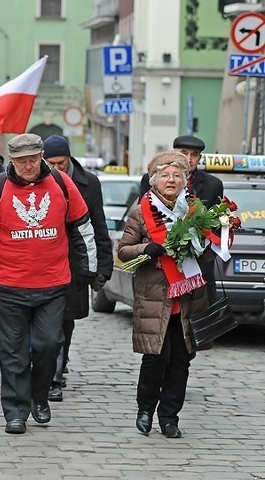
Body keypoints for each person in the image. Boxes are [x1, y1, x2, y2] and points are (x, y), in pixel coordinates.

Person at [0, 133, 97, 435]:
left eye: (34, 159)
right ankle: (15, 412)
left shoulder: (60, 183)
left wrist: (89, 268)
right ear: (12, 161)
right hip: (9, 286)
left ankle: (39, 396)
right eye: (22, 161)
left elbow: (82, 225)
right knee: (13, 352)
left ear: (42, 155)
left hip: (53, 284)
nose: (29, 165)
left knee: (48, 345)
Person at [117, 150, 211, 439]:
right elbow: (122, 251)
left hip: (187, 299)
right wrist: (146, 249)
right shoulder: (141, 211)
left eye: (177, 175)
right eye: (165, 175)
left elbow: (209, 247)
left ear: (185, 180)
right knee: (155, 359)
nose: (171, 180)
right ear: (153, 180)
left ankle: (170, 417)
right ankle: (145, 409)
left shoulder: (194, 210)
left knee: (181, 361)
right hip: (155, 299)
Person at [42, 135, 114, 401]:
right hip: (43, 261)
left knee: (65, 321)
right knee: (45, 321)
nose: (57, 169)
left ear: (70, 159)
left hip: (74, 264)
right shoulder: (37, 179)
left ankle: (56, 375)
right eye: (51, 163)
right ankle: (48, 373)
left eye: (61, 163)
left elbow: (98, 225)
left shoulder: (89, 183)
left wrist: (103, 267)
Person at [139, 135, 223, 304]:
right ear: (174, 153)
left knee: (196, 322)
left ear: (200, 158)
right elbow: (142, 218)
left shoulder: (212, 185)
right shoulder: (152, 179)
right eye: (184, 153)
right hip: (161, 262)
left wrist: (197, 248)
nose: (189, 159)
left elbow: (216, 227)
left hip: (197, 266)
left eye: (195, 154)